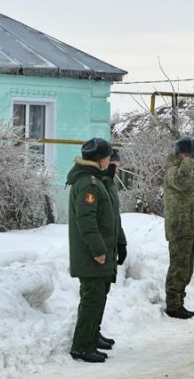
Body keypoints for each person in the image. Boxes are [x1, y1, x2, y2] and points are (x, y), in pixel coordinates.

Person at [66, 138, 120, 363]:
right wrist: (98, 250)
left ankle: (92, 335)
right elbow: (86, 221)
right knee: (92, 298)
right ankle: (81, 346)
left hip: (100, 251)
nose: (111, 161)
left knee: (97, 296)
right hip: (92, 254)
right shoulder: (88, 183)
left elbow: (108, 216)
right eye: (108, 157)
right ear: (99, 160)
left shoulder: (96, 181)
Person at [163, 136, 194, 319]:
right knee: (179, 267)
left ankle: (180, 301)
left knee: (186, 268)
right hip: (180, 227)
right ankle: (173, 305)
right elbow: (181, 182)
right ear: (185, 154)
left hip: (189, 227)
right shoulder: (173, 170)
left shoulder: (185, 169)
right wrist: (188, 160)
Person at [95, 148, 128, 351]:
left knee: (102, 294)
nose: (117, 169)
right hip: (100, 249)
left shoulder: (109, 184)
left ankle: (94, 332)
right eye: (114, 164)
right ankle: (87, 336)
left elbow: (114, 218)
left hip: (109, 245)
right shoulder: (99, 184)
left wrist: (121, 242)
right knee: (95, 295)